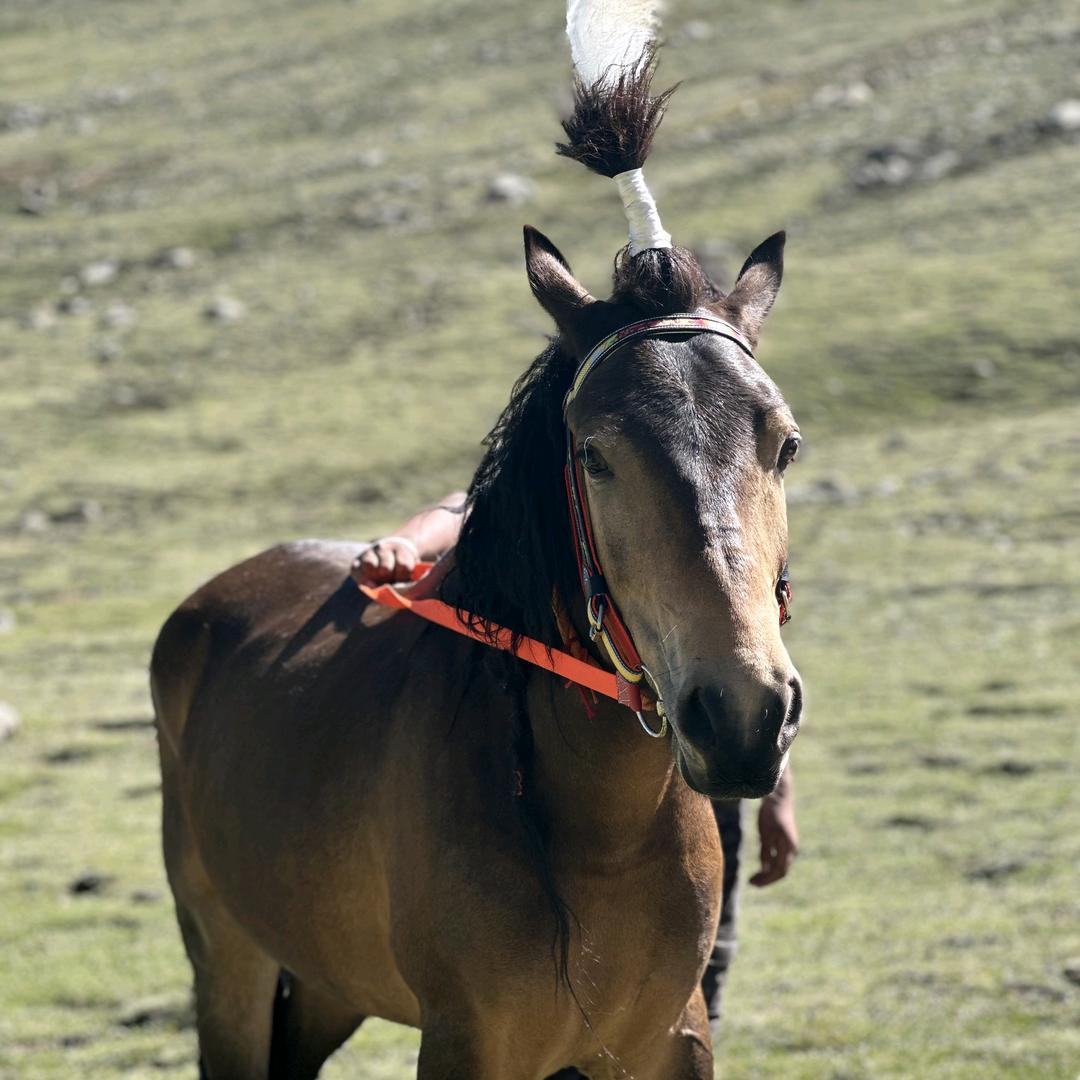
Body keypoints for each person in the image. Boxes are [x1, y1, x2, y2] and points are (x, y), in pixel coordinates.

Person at [351, 494, 799, 1034]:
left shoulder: (709, 518)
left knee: (699, 988)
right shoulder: (577, 494)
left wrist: (778, 797)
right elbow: (471, 508)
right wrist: (408, 543)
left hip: (698, 793)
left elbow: (751, 665)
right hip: (575, 804)